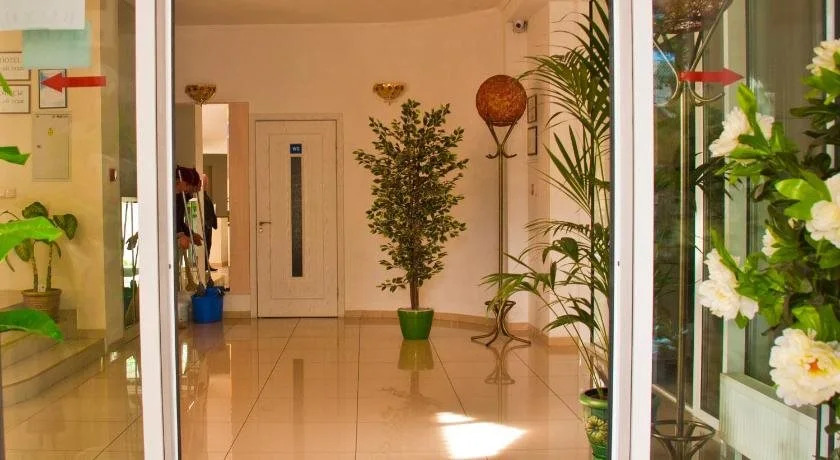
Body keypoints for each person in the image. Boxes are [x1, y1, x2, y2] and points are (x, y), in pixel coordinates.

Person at [202, 173, 218, 271]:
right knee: (205, 246)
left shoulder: (206, 196)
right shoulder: (201, 196)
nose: (206, 183)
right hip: (205, 225)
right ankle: (204, 265)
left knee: (208, 245)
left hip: (209, 225)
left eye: (206, 181)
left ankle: (206, 264)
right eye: (205, 181)